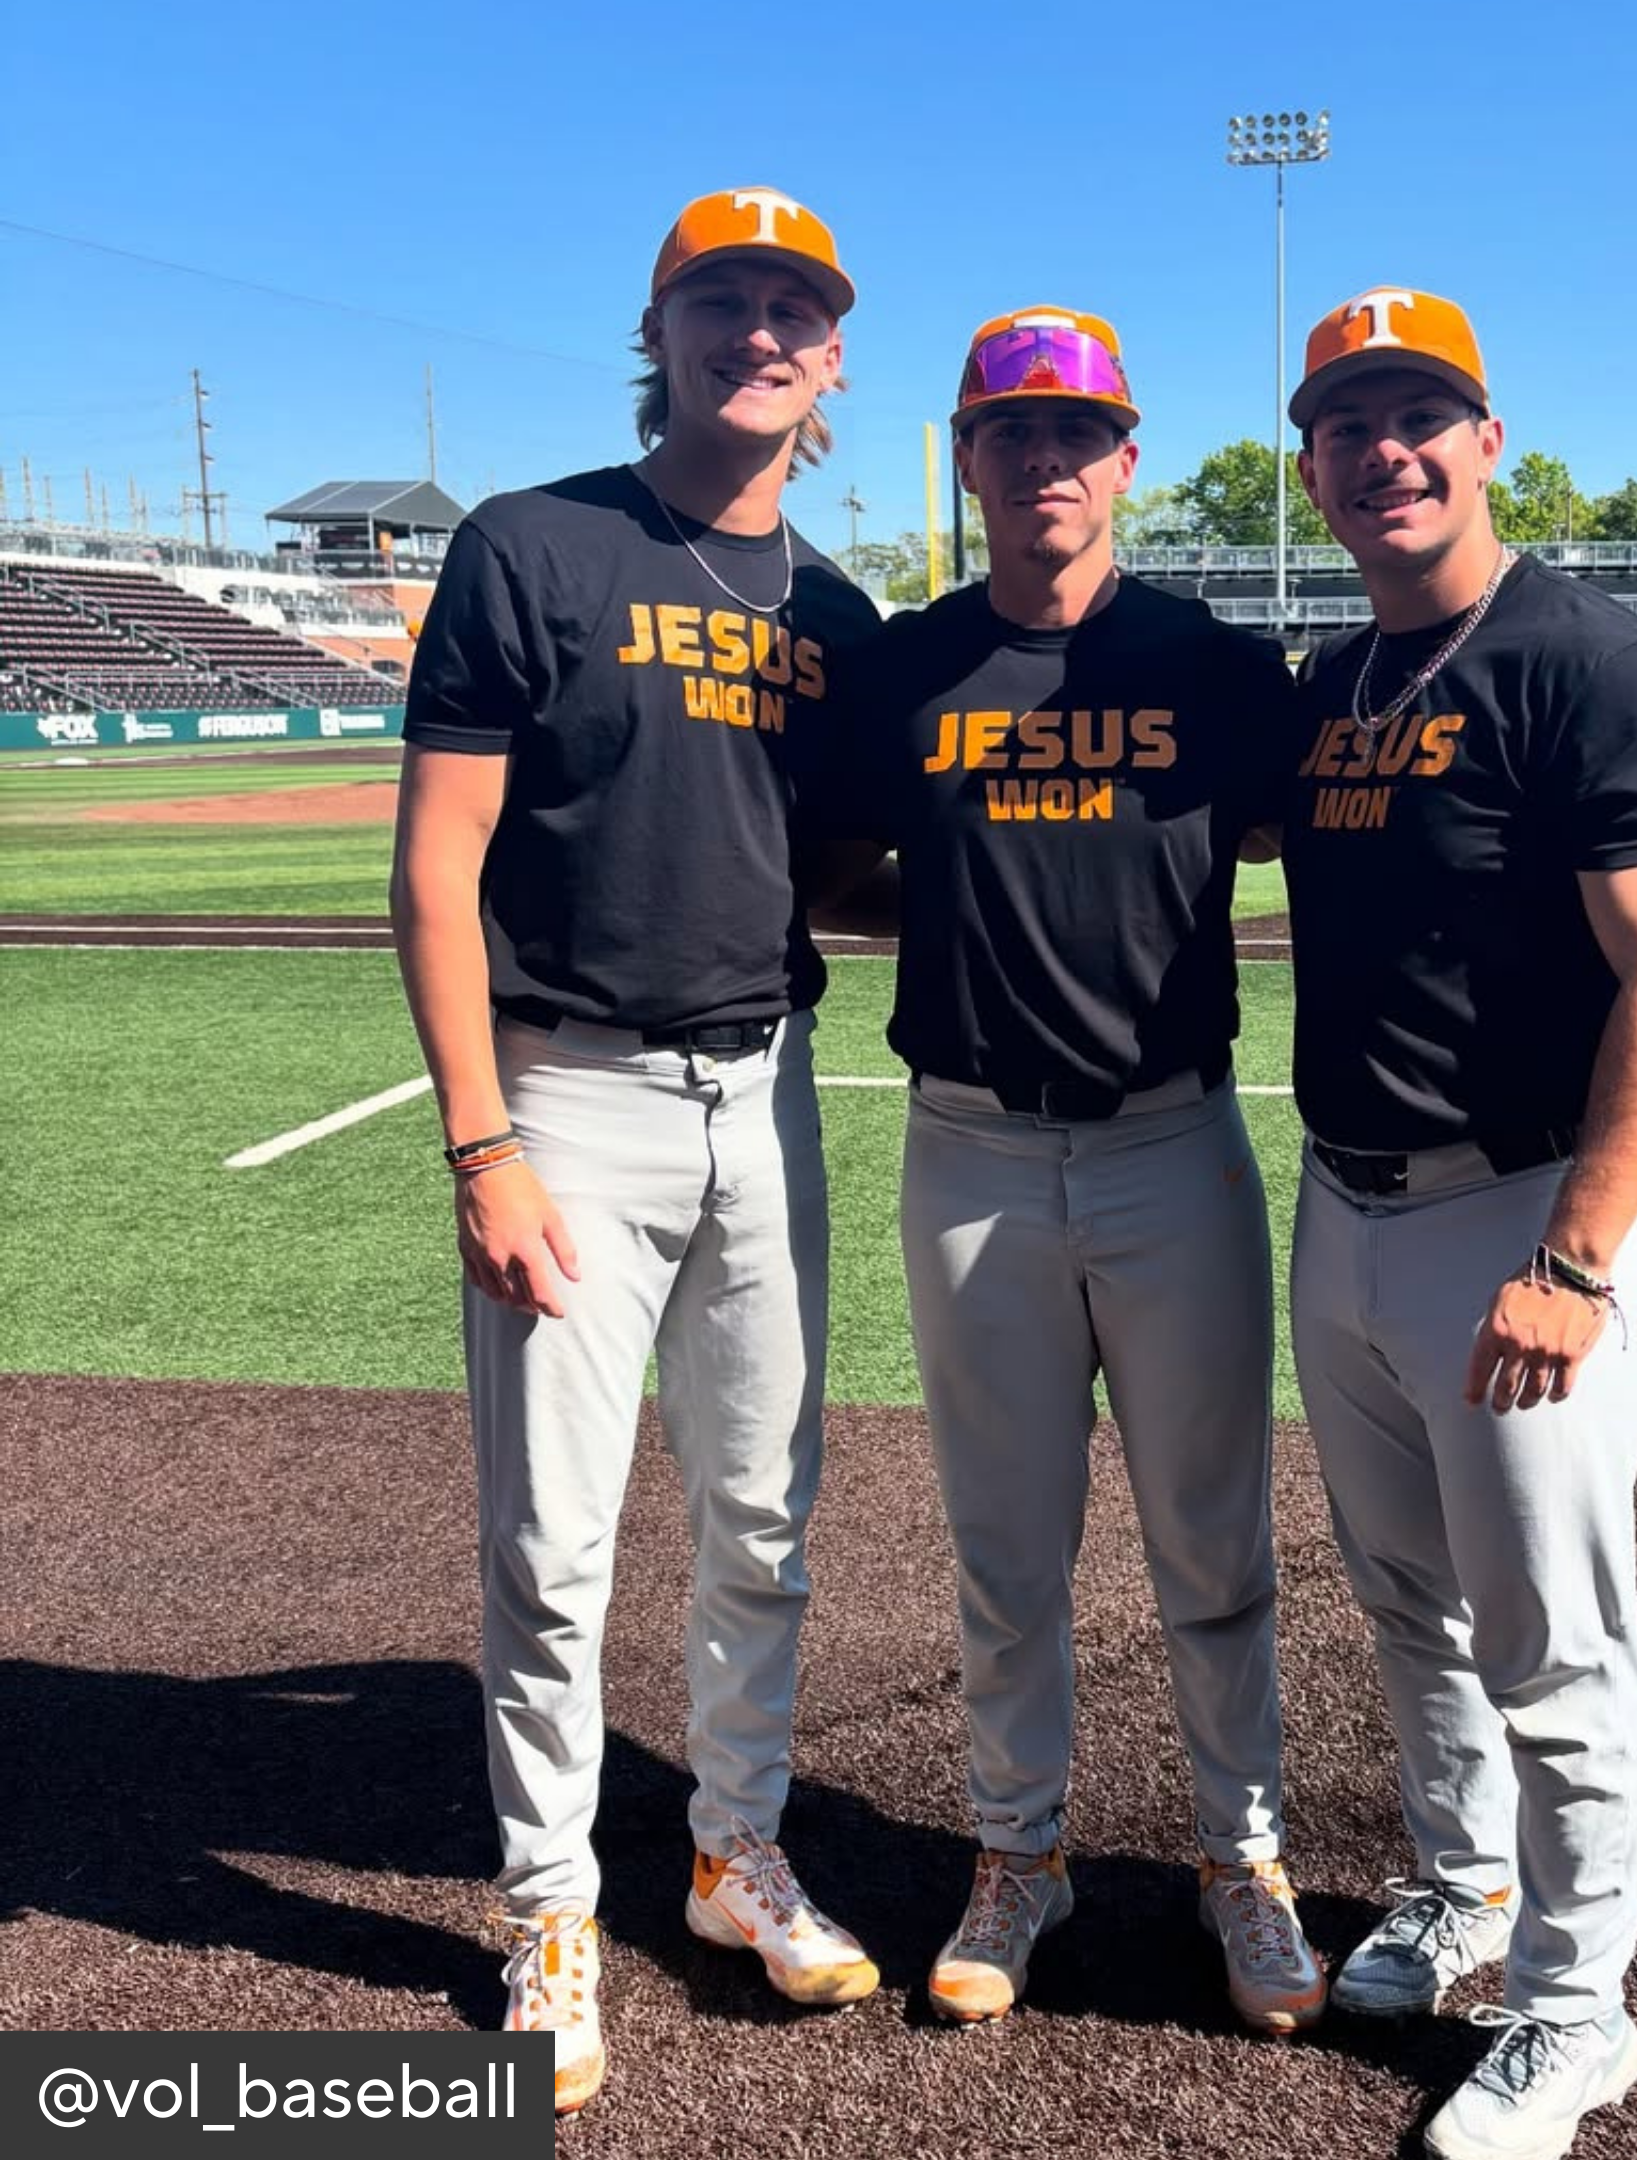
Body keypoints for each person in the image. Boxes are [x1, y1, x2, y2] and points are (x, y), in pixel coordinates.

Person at [389, 186, 883, 2116]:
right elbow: (436, 871)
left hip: (765, 1098)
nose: (761, 334)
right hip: (568, 1099)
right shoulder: (537, 543)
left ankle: (731, 1842)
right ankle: (543, 1900)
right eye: (724, 302)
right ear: (661, 329)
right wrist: (481, 1141)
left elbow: (839, 878)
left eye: (796, 309)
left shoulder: (832, 613)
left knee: (765, 1515)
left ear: (833, 356)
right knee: (551, 1543)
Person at [820, 306, 1323, 2034]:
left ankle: (1237, 1854)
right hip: (967, 1148)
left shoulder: (1215, 665)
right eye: (1009, 434)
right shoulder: (906, 665)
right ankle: (1016, 1853)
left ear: (1128, 460)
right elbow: (827, 860)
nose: (1046, 463)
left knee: (1214, 1537)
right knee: (1005, 1542)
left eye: (1077, 435)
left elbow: (1295, 842)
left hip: (1173, 1142)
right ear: (966, 461)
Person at [1276, 288, 1637, 2157]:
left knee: (1555, 1639)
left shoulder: (1584, 657)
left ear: (1487, 440)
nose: (1386, 450)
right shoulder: (1336, 684)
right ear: (1311, 466)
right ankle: (1462, 1892)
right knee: (1406, 1603)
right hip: (1349, 1205)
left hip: (1524, 1214)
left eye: (1420, 416)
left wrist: (1576, 1259)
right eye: (1348, 422)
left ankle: (1575, 2008)